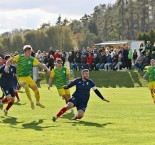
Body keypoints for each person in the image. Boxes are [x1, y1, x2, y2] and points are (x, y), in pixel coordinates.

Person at [4, 45, 51, 109]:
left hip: (28, 77)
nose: (30, 53)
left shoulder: (32, 59)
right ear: (25, 52)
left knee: (36, 90)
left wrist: (47, 69)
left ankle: (38, 102)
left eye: (30, 51)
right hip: (20, 77)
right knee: (26, 86)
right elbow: (8, 61)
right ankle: (31, 101)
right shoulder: (19, 57)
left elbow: (40, 64)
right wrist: (7, 67)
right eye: (28, 51)